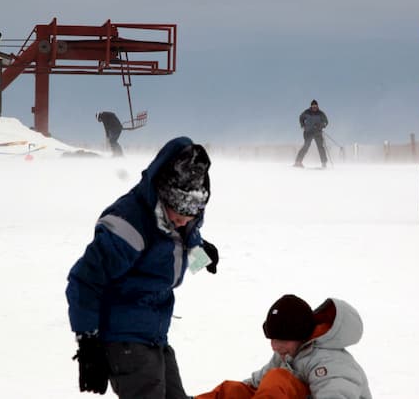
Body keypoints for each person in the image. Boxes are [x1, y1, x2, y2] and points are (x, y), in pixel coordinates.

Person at [66, 136, 220, 398]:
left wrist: (200, 253)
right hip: (124, 336)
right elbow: (84, 280)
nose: (184, 224)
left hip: (154, 331)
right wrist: (88, 343)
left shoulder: (177, 221)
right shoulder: (129, 228)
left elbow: (179, 243)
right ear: (164, 199)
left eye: (190, 219)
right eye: (179, 217)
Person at [196, 294, 371, 399]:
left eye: (281, 340)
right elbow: (257, 384)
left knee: (278, 380)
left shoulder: (332, 361)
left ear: (300, 336)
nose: (274, 346)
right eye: (272, 339)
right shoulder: (288, 353)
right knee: (235, 391)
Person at [294, 100, 329, 168]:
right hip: (308, 132)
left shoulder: (321, 113)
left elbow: (326, 122)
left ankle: (324, 163)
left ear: (317, 106)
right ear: (311, 106)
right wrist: (302, 125)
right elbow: (301, 117)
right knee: (306, 146)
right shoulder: (306, 112)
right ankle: (298, 162)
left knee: (320, 147)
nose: (314, 106)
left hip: (317, 132)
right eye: (313, 105)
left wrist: (321, 125)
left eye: (315, 105)